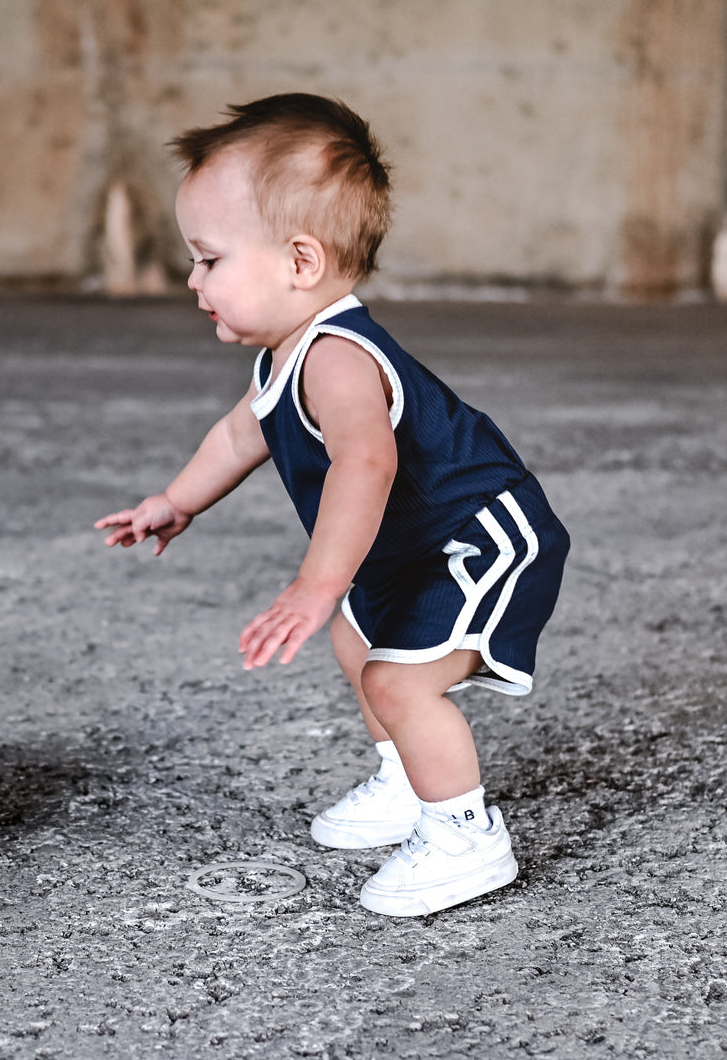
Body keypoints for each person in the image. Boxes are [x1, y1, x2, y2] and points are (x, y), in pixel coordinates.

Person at [94, 93, 570, 916]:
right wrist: (175, 502)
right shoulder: (286, 356)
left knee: (397, 679)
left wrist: (316, 582)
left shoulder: (339, 358)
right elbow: (240, 436)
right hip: (414, 546)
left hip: (482, 537)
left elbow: (365, 465)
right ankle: (404, 781)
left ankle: (466, 834)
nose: (191, 278)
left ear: (301, 264)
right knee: (359, 641)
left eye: (209, 259)